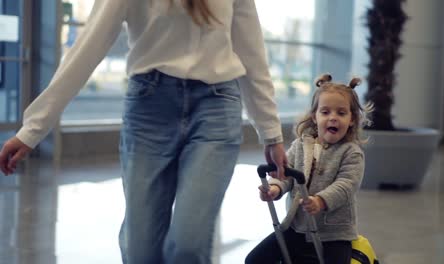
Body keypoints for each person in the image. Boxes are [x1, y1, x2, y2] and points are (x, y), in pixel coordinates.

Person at [0, 0, 288, 263]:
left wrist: (270, 132)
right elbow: (88, 47)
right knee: (142, 252)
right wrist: (33, 129)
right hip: (150, 107)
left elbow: (252, 55)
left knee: (189, 245)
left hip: (216, 107)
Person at [245, 73, 372, 264]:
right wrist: (275, 188)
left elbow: (347, 185)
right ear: (314, 116)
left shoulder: (352, 152)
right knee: (255, 259)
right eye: (325, 112)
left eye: (341, 113)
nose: (333, 118)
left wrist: (321, 200)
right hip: (296, 227)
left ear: (352, 119)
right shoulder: (300, 145)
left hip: (334, 234)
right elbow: (287, 174)